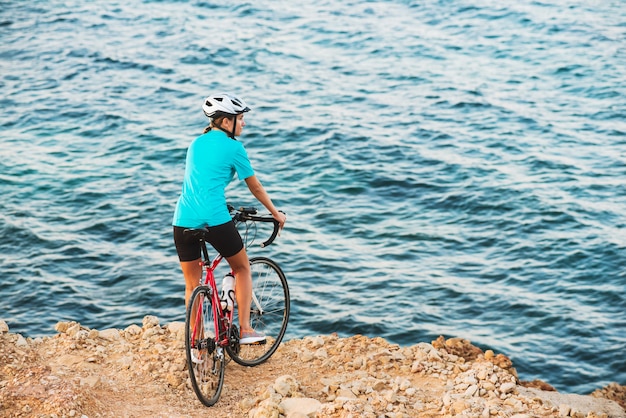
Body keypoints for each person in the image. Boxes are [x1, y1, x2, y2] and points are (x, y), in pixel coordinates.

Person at [172, 92, 286, 344]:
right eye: (241, 118)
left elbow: (202, 181)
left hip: (182, 219)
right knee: (242, 268)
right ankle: (245, 329)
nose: (244, 123)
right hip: (214, 218)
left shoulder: (195, 143)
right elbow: (254, 187)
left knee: (192, 286)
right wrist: (276, 213)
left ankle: (197, 344)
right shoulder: (235, 147)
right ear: (226, 122)